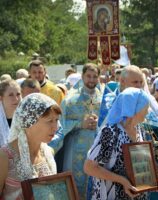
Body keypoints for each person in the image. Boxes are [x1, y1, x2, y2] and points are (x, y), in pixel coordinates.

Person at [84, 87, 158, 199]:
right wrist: (122, 180)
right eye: (145, 107)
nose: (148, 110)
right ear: (134, 108)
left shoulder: (140, 129)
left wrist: (153, 177)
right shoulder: (110, 132)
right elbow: (89, 167)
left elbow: (142, 162)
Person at [0, 93, 61, 199]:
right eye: (49, 121)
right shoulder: (4, 157)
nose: (55, 127)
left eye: (56, 120)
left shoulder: (49, 152)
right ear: (29, 123)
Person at [60, 63, 102, 199]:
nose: (91, 80)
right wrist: (79, 124)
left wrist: (99, 123)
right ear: (82, 76)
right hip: (76, 150)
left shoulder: (104, 99)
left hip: (98, 148)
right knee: (76, 187)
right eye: (88, 76)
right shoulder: (70, 100)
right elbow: (60, 124)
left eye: (95, 76)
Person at [0, 80, 22, 147]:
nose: (16, 98)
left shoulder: (24, 117)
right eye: (10, 95)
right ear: (1, 98)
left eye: (18, 94)